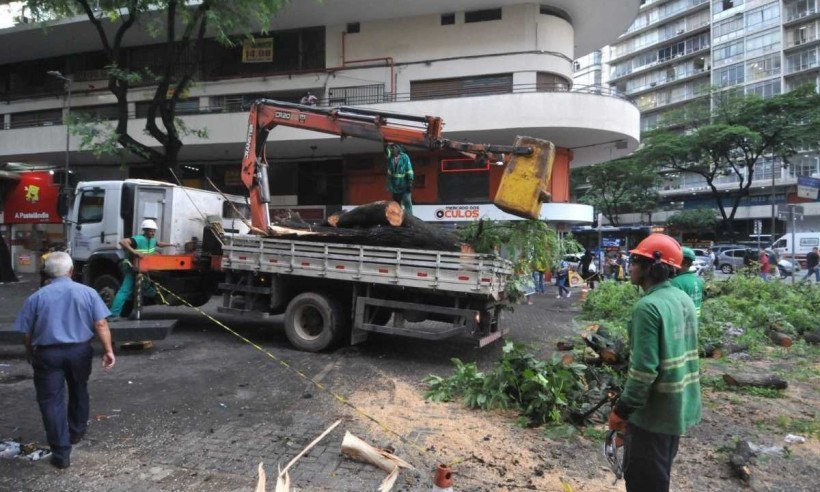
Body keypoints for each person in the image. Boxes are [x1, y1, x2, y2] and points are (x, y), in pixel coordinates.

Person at [607, 233, 701, 492]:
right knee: (658, 475)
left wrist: (622, 411)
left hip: (653, 413)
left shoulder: (648, 307)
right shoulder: (683, 299)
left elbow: (643, 372)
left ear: (652, 267)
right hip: (678, 407)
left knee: (644, 483)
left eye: (636, 261)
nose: (631, 267)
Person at [13, 252, 115, 469]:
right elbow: (101, 324)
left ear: (48, 273)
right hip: (79, 352)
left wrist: (30, 352)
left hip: (47, 354)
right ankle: (76, 432)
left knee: (51, 401)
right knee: (79, 388)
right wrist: (108, 350)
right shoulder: (88, 293)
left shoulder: (36, 298)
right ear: (71, 271)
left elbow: (26, 333)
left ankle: (61, 453)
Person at [109, 219, 175, 318]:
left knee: (147, 286)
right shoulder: (138, 239)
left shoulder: (152, 240)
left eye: (153, 231)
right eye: (150, 230)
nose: (152, 232)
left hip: (143, 268)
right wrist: (134, 252)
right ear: (144, 230)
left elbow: (158, 243)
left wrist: (171, 244)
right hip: (132, 268)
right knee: (125, 290)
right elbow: (122, 242)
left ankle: (158, 297)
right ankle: (113, 315)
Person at [670, 247, 704, 317]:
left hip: (683, 323)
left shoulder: (675, 282)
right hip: (695, 322)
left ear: (684, 263)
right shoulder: (698, 280)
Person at [385, 143, 414, 215]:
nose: (392, 149)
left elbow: (409, 169)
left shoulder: (404, 157)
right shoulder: (391, 158)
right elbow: (386, 152)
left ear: (398, 149)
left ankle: (409, 217)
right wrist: (386, 144)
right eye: (391, 148)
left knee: (407, 201)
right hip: (394, 185)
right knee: (396, 203)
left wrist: (410, 181)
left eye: (394, 147)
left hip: (404, 183)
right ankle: (397, 217)